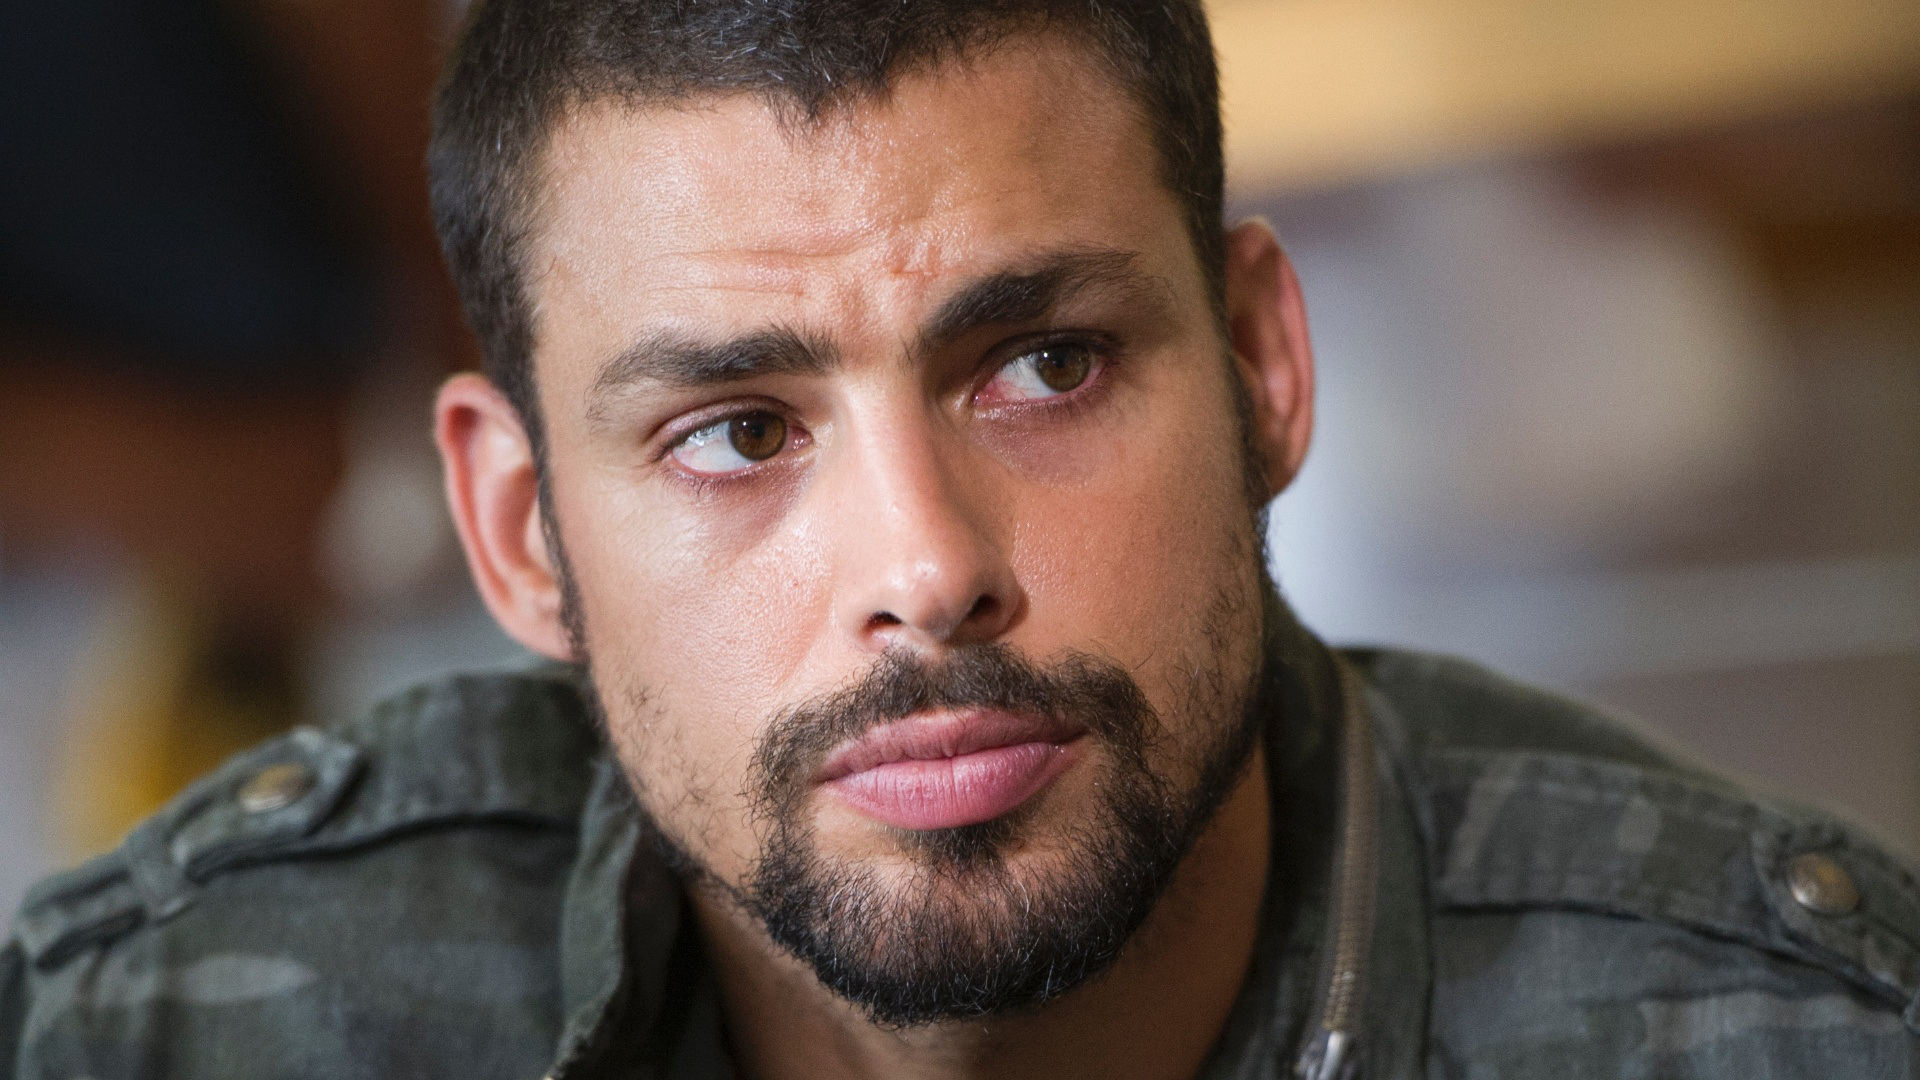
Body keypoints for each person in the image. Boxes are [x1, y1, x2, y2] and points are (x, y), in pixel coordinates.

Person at [5, 0, 1917, 1075]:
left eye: (1045, 368)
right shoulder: (156, 1039)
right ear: (521, 533)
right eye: (737, 432)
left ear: (1261, 367)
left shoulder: (1783, 1043)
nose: (926, 567)